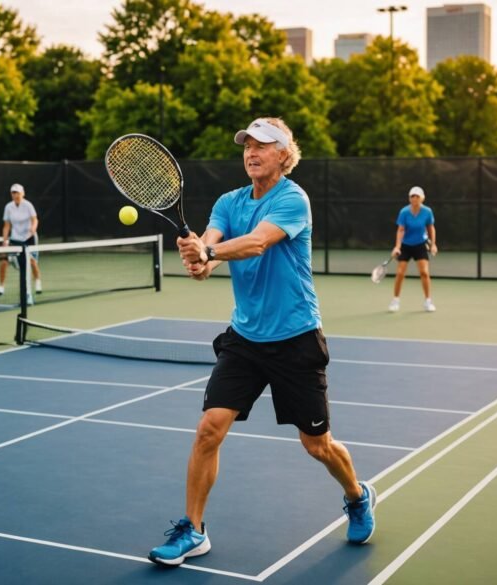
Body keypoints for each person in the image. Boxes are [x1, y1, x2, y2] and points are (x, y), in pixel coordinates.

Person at [149, 118, 377, 567]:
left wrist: (209, 253)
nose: (252, 152)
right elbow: (211, 252)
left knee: (317, 446)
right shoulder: (228, 202)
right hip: (245, 340)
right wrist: (200, 261)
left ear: (283, 155)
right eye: (247, 146)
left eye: (263, 145)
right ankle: (193, 530)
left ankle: (356, 494)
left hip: (296, 339)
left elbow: (255, 244)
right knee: (209, 428)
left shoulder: (293, 199)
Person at [388, 186, 438, 312]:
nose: (414, 198)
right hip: (405, 246)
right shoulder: (404, 212)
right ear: (409, 198)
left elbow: (431, 228)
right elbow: (400, 230)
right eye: (412, 196)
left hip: (420, 245)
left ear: (422, 198)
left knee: (424, 273)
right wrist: (397, 247)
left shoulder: (427, 212)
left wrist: (433, 244)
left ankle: (428, 301)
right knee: (400, 273)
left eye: (417, 196)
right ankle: (395, 301)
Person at [0, 183, 42, 296]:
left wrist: (33, 229)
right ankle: (1, 286)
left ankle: (37, 282)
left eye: (17, 192)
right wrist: (5, 241)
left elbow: (35, 220)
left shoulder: (28, 205)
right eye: (13, 193)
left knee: (32, 261)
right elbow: (7, 226)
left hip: (29, 238)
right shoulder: (8, 207)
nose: (15, 195)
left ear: (23, 193)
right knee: (3, 262)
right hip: (15, 239)